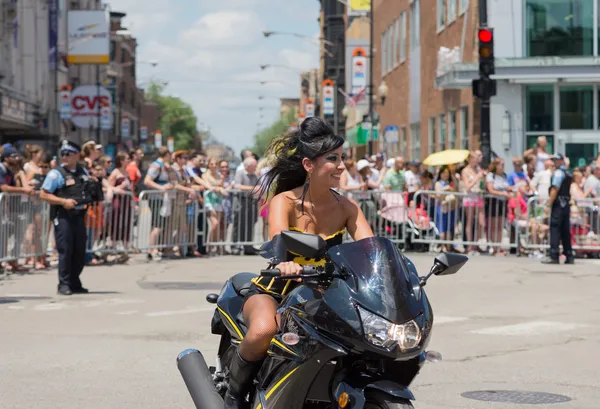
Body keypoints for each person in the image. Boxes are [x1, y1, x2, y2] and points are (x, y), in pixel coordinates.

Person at [223, 117, 374, 409]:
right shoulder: (285, 201)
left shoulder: (347, 206)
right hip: (277, 289)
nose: (342, 166)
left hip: (323, 294)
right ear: (309, 165)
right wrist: (285, 264)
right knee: (264, 330)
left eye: (343, 158)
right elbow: (278, 241)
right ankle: (233, 395)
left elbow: (369, 249)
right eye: (333, 159)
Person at [40, 140, 96, 295]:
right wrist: (63, 201)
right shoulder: (55, 173)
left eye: (68, 154)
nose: (64, 157)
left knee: (79, 250)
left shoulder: (82, 171)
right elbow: (43, 193)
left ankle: (74, 281)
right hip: (63, 215)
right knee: (66, 249)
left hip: (79, 215)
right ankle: (63, 284)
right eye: (62, 154)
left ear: (77, 155)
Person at [542, 153, 574, 264]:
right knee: (565, 231)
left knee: (555, 229)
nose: (554, 162)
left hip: (558, 205)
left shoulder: (559, 173)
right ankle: (569, 255)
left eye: (556, 160)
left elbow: (555, 189)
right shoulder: (567, 172)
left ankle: (554, 255)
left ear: (561, 161)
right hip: (565, 204)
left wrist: (548, 204)